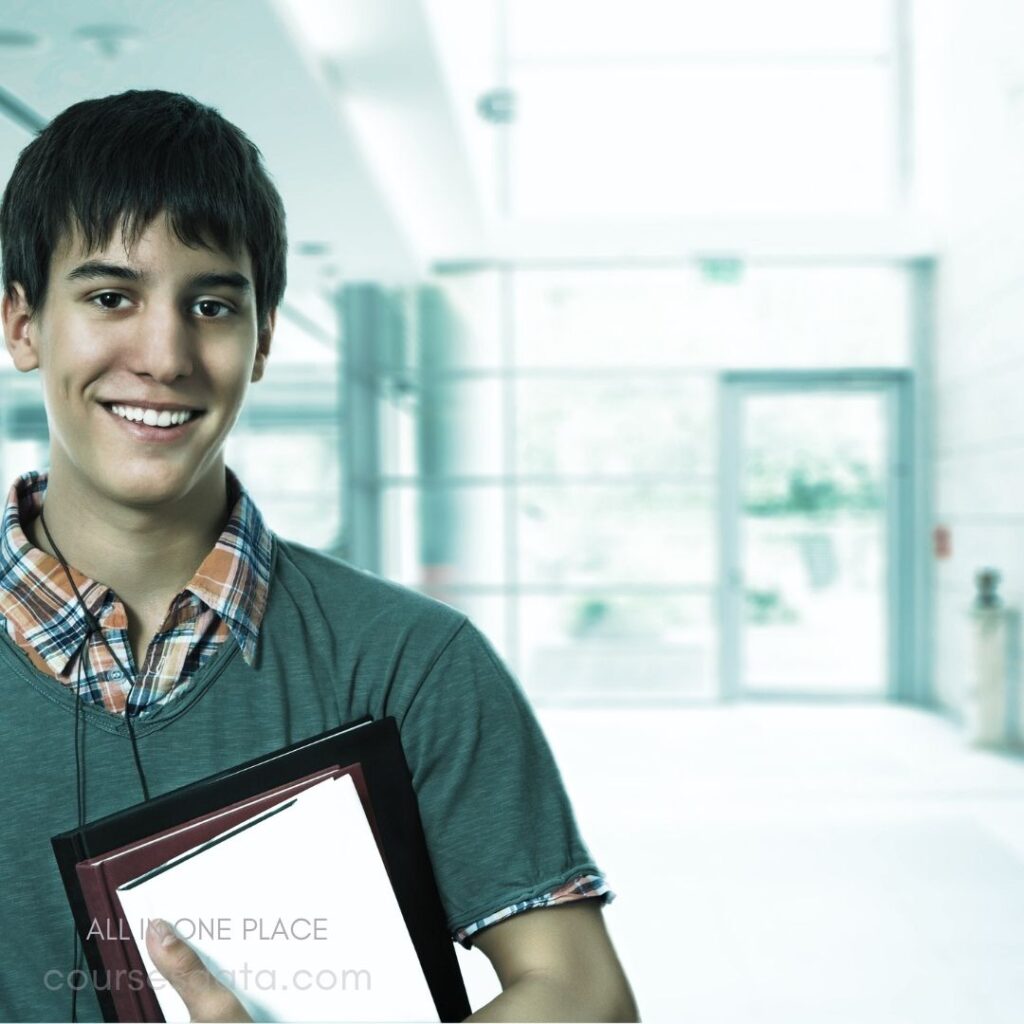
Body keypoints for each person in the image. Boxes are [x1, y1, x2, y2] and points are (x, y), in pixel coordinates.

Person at [0, 89, 638, 1022]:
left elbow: (582, 995)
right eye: (110, 297)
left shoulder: (410, 662)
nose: (165, 353)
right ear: (21, 324)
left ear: (261, 341)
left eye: (212, 303)